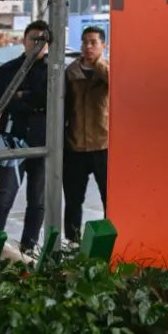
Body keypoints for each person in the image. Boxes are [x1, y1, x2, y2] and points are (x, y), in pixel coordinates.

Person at [0, 21, 52, 259]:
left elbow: (50, 98)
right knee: (3, 196)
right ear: (24, 40)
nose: (38, 43)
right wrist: (32, 99)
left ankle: (28, 249)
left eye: (44, 40)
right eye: (34, 38)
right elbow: (6, 99)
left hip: (43, 143)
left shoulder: (54, 69)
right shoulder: (8, 70)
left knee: (37, 200)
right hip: (13, 140)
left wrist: (25, 96)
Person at [64, 26, 109, 243]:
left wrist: (98, 64)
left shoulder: (108, 69)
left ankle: (111, 242)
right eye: (84, 42)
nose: (88, 47)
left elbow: (116, 84)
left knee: (109, 198)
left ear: (103, 45)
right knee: (73, 200)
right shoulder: (71, 72)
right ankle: (72, 243)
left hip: (103, 144)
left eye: (93, 42)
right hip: (75, 145)